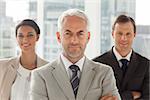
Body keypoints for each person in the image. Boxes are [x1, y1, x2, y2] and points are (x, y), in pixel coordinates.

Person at [30, 9, 121, 100]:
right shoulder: (41, 76)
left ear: (88, 37)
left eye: (80, 34)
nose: (74, 40)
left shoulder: (104, 73)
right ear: (59, 37)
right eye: (68, 33)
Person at [93, 15, 149, 100]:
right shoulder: (96, 64)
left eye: (128, 34)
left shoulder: (146, 65)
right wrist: (130, 95)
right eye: (120, 33)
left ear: (134, 35)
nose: (124, 38)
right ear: (112, 34)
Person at [0, 19, 49, 100]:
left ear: (37, 37)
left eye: (30, 35)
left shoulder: (48, 69)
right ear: (16, 38)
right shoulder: (3, 67)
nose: (25, 40)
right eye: (21, 36)